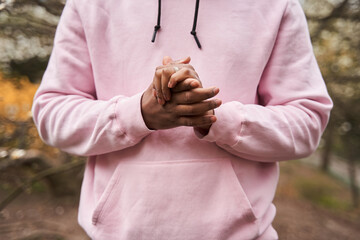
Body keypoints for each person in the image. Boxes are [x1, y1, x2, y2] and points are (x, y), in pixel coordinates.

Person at [31, 0, 333, 239]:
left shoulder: (276, 5)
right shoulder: (88, 3)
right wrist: (138, 114)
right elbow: (52, 112)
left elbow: (307, 122)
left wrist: (213, 117)